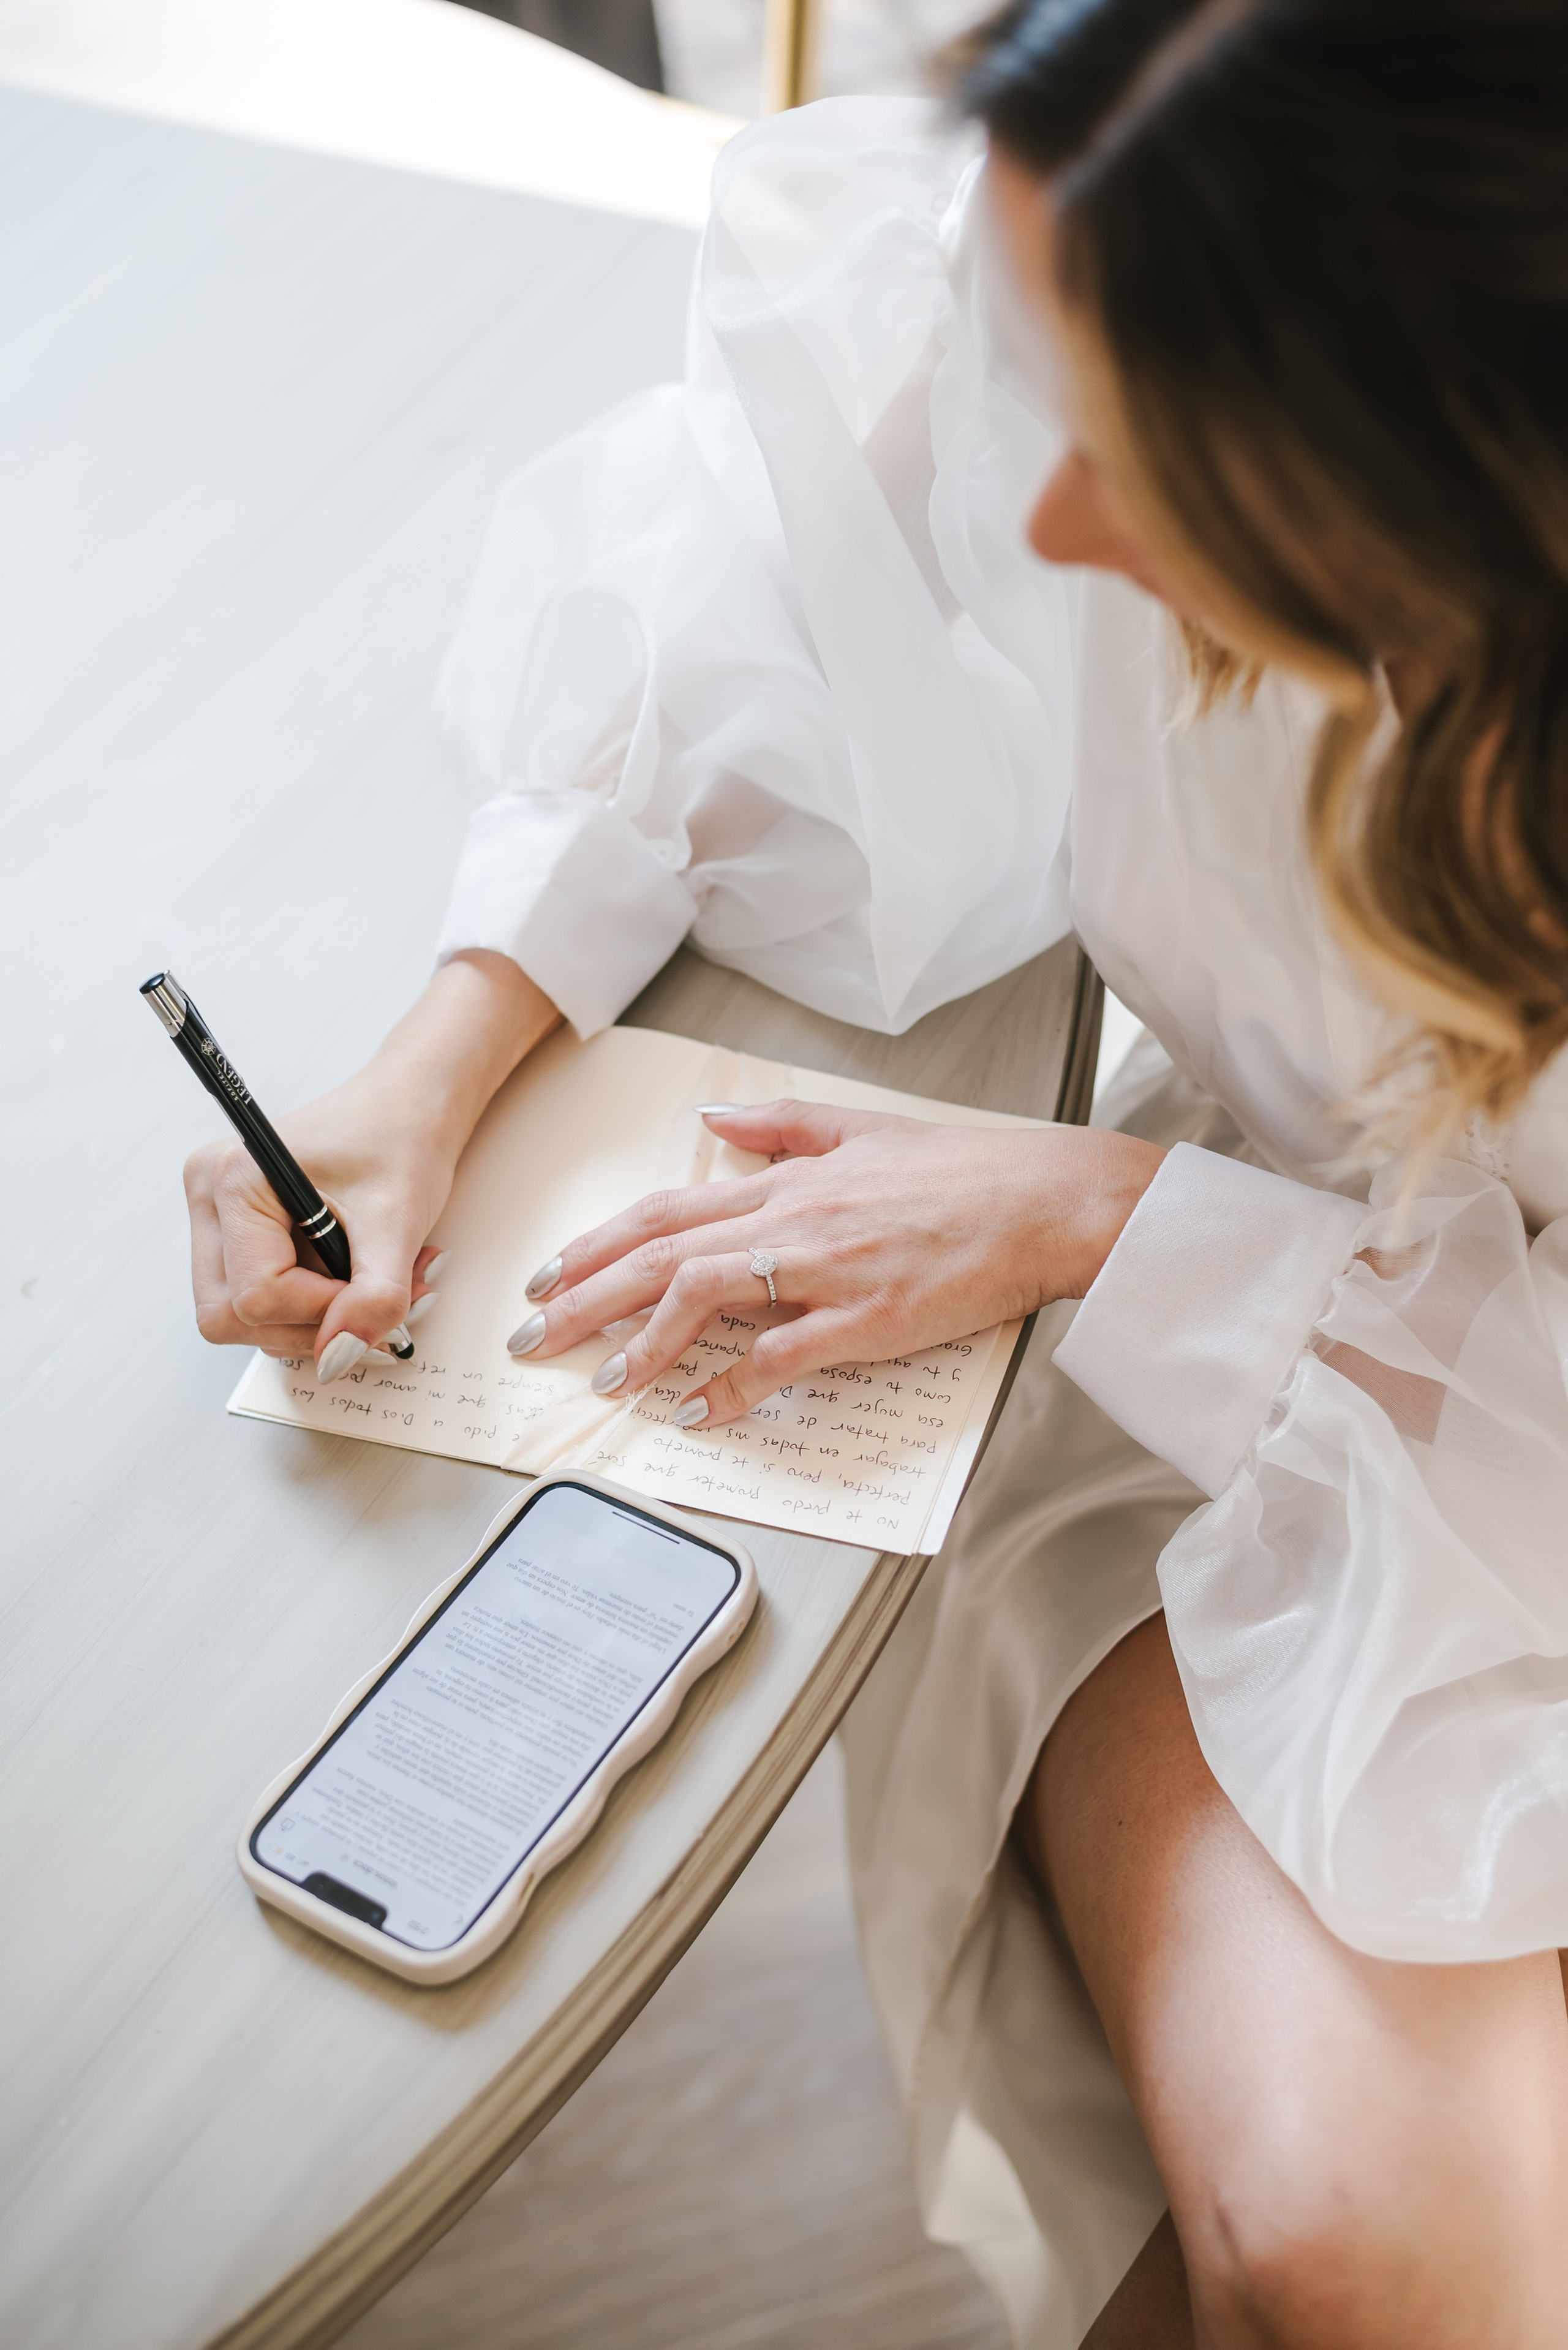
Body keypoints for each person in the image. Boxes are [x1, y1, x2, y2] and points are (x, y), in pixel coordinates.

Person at [183, 1, 1568, 2341]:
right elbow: (769, 594)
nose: (1046, 521)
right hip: (1323, 1425)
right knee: (1364, 2247)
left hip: (1363, 1357)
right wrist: (434, 1059)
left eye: (1148, 450)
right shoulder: (1111, 246)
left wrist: (1098, 1217)